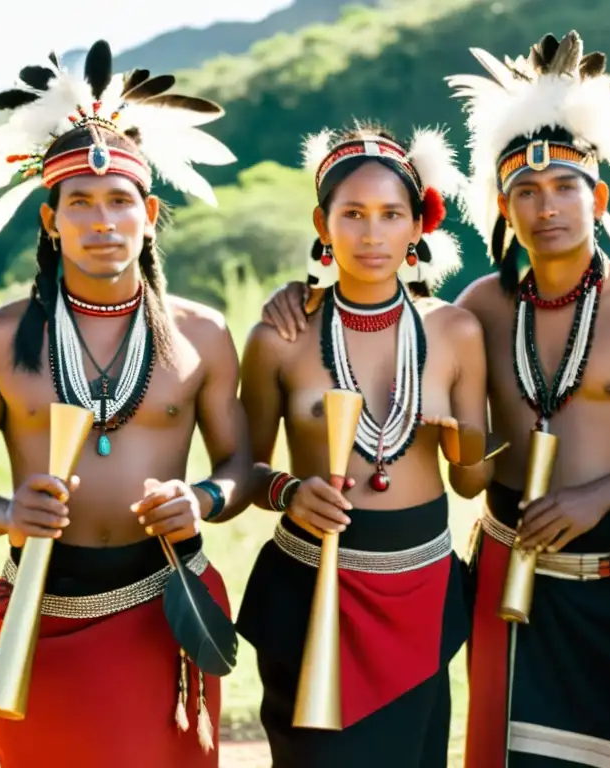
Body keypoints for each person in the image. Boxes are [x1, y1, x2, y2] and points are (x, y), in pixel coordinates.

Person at [261, 32, 610, 768]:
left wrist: (598, 496)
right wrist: (303, 293)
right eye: (524, 194)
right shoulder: (479, 308)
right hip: (510, 577)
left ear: (595, 195)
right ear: (501, 207)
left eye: (564, 187)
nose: (547, 208)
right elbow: (383, 308)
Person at [0, 42, 250, 768]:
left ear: (149, 213)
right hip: (40, 609)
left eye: (118, 203)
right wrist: (6, 513)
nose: (101, 221)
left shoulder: (201, 333)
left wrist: (202, 497)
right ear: (50, 220)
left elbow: (241, 464)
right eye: (79, 202)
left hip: (167, 600)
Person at [233, 122, 490, 767]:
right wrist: (289, 491)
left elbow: (471, 482)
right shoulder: (282, 336)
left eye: (390, 214)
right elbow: (240, 471)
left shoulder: (456, 331)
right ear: (323, 225)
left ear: (417, 227)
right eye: (352, 214)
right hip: (311, 588)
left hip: (419, 592)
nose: (371, 234)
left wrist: (463, 445)